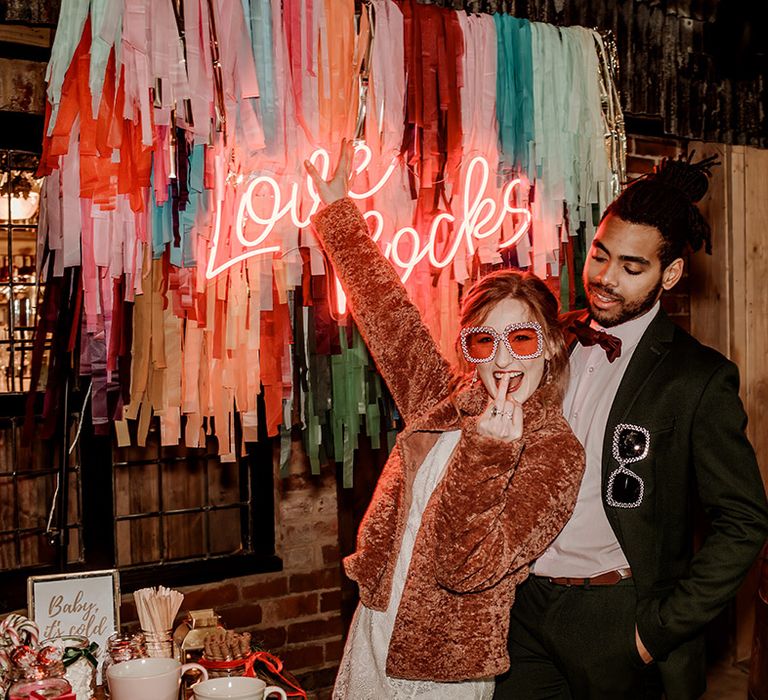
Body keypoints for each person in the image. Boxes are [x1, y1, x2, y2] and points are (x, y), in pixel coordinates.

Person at [305, 142, 585, 699]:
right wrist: (339, 212)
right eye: (485, 341)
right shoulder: (446, 398)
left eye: (522, 337)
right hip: (376, 624)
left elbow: (468, 567)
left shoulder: (555, 453)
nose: (503, 359)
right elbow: (391, 320)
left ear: (550, 346)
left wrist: (489, 454)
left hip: (447, 662)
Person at [494, 155, 768, 700]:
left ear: (670, 274)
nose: (605, 279)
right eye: (600, 255)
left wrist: (653, 633)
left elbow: (743, 521)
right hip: (521, 612)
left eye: (631, 267)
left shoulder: (699, 377)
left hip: (616, 619)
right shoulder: (549, 339)